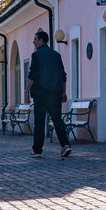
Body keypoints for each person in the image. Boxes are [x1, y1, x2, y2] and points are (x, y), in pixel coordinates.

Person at [26, 30, 70, 158]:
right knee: (57, 120)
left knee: (39, 122)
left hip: (41, 94)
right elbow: (63, 75)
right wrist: (64, 92)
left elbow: (32, 75)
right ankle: (65, 145)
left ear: (41, 40)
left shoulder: (36, 55)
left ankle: (37, 150)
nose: (33, 41)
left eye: (35, 39)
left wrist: (27, 91)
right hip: (55, 94)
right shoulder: (56, 55)